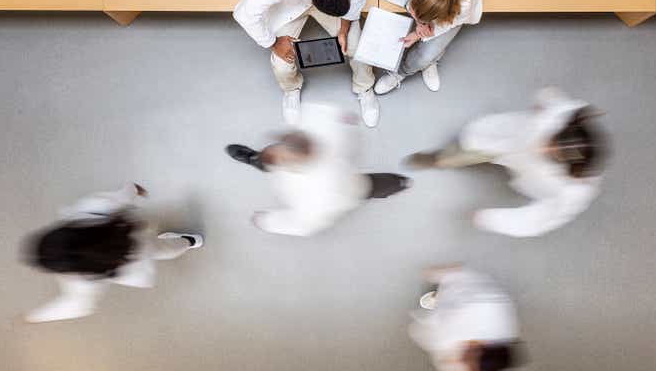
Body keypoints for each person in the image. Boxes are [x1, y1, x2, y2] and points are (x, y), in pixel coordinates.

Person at [405, 88, 607, 238]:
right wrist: (542, 102)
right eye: (552, 142)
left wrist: (493, 219)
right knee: (467, 150)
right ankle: (440, 160)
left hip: (522, 167)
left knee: (491, 154)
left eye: (553, 155)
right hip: (502, 139)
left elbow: (539, 219)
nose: (544, 149)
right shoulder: (562, 115)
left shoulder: (572, 191)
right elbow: (551, 97)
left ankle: (447, 159)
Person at [234, 0, 379, 127]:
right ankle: (291, 89)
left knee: (357, 45)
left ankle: (364, 88)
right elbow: (244, 13)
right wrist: (274, 43)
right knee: (282, 63)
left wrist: (343, 29)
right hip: (290, 4)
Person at [21, 183, 203, 323]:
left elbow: (75, 305)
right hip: (130, 230)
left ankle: (188, 242)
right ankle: (187, 241)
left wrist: (36, 316)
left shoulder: (83, 278)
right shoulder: (82, 212)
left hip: (135, 258)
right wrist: (132, 189)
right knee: (162, 245)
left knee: (165, 251)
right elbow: (114, 199)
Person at [225, 103, 410, 236]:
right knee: (266, 160)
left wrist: (268, 222)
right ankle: (255, 159)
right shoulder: (321, 131)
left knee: (375, 186)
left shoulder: (317, 195)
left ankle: (399, 183)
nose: (276, 153)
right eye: (278, 148)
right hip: (338, 171)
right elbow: (327, 117)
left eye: (280, 157)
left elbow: (302, 224)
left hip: (353, 187)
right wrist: (345, 121)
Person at [374, 0, 483, 95]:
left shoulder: (464, 6)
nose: (415, 19)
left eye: (422, 20)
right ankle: (427, 60)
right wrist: (419, 23)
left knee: (425, 55)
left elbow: (447, 24)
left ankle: (407, 70)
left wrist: (419, 34)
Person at [409, 265, 522, 371]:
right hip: (457, 286)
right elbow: (419, 330)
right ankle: (437, 291)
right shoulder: (449, 335)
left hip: (480, 288)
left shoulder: (503, 335)